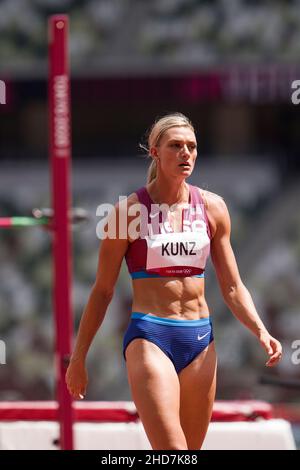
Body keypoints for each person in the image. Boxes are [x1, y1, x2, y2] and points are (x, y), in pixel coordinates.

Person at [66, 112, 282, 450]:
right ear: (155, 152)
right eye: (176, 146)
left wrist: (260, 331)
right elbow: (103, 291)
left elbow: (232, 286)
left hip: (200, 339)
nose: (186, 154)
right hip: (151, 337)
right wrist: (78, 358)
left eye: (192, 147)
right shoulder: (127, 213)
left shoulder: (213, 209)